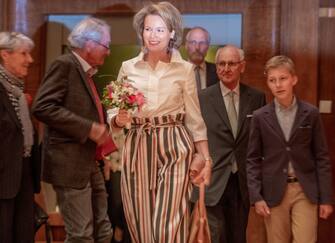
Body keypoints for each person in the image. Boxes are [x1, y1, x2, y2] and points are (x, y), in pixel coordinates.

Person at [112, 2, 211, 243]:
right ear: (141, 32)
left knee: (167, 224)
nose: (152, 35)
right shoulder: (128, 67)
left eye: (159, 30)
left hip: (174, 143)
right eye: (148, 29)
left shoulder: (185, 70)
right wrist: (118, 118)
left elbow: (195, 119)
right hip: (137, 144)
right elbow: (116, 111)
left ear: (172, 33)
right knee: (140, 225)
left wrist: (206, 159)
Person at [32, 17, 113, 243]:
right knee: (81, 236)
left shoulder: (86, 73)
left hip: (89, 162)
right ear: (89, 44)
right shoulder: (65, 65)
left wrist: (101, 148)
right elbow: (42, 107)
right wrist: (88, 129)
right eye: (106, 45)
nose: (108, 52)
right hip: (68, 164)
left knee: (103, 230)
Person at [247, 55, 334, 243]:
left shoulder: (310, 113)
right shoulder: (260, 116)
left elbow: (322, 157)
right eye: (272, 80)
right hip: (273, 190)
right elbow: (252, 159)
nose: (278, 85)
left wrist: (326, 198)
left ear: (294, 79)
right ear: (268, 83)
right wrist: (256, 197)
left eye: (283, 78)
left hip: (304, 189)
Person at [192, 44, 266, 243]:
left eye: (231, 63)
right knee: (213, 237)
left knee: (238, 237)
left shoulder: (257, 98)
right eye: (221, 64)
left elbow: (259, 143)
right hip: (212, 180)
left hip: (241, 183)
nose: (226, 68)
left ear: (242, 66)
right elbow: (193, 137)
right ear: (216, 68)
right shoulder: (202, 98)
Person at [0, 31, 41, 243]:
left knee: (24, 234)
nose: (30, 60)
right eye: (24, 54)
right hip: (4, 176)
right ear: (5, 55)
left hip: (23, 172)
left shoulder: (16, 89)